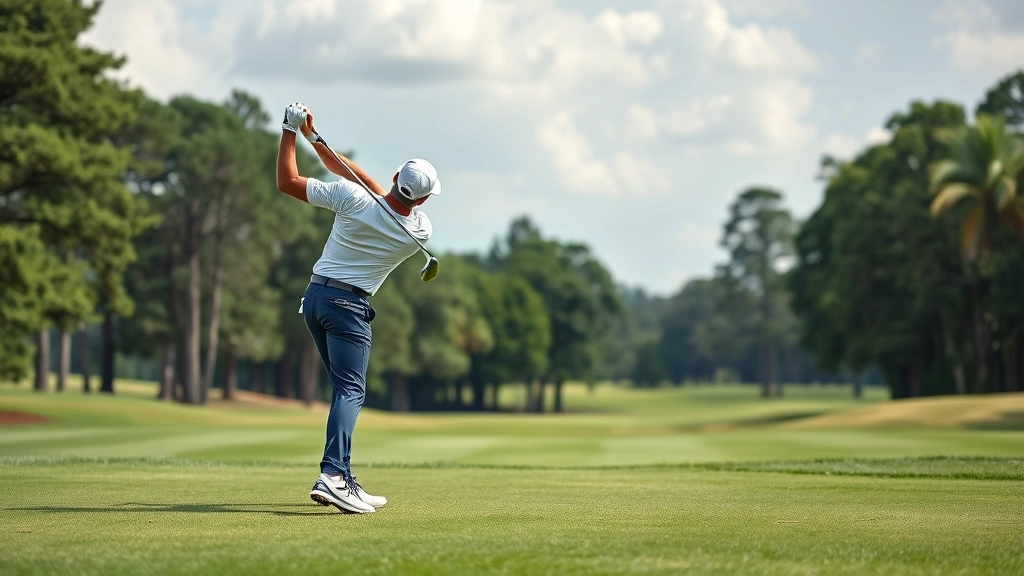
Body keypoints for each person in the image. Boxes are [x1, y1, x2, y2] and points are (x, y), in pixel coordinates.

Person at [276, 102, 441, 513]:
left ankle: (342, 475)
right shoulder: (418, 231)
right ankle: (332, 475)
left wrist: (291, 131)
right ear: (422, 200)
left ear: (394, 179)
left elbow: (288, 181)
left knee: (343, 391)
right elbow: (370, 186)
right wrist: (318, 139)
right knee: (351, 391)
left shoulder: (349, 198)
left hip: (314, 299)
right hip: (349, 309)